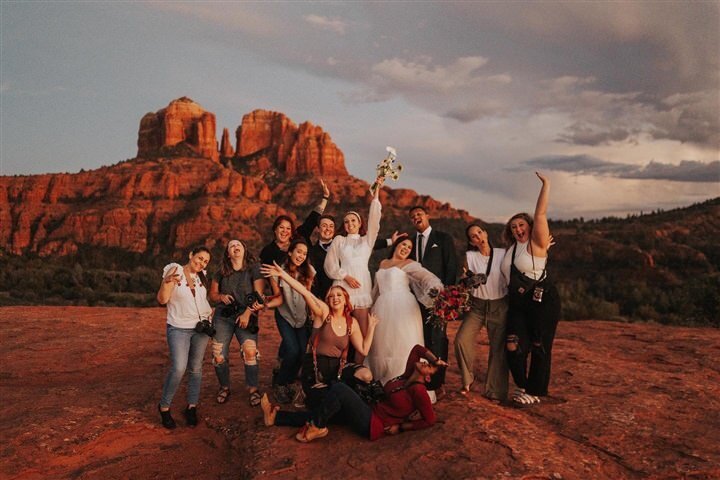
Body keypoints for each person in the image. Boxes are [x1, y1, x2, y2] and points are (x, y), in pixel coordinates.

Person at [260, 344, 447, 442]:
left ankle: (316, 426)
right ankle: (276, 418)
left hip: (373, 424)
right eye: (426, 361)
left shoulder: (419, 391)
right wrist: (435, 359)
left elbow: (430, 419)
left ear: (429, 378)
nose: (424, 362)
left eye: (429, 367)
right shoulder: (407, 376)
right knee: (328, 410)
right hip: (367, 408)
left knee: (340, 389)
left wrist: (403, 427)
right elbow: (417, 349)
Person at [260, 261, 377, 409]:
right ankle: (306, 392)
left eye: (339, 295)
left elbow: (364, 349)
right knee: (326, 404)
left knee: (366, 375)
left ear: (346, 299)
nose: (335, 298)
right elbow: (304, 292)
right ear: (327, 300)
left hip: (337, 368)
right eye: (331, 296)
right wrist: (282, 275)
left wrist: (371, 326)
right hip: (316, 367)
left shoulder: (351, 322)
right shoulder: (324, 313)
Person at [501, 172, 561, 406]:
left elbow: (541, 213)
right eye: (514, 226)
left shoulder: (537, 243)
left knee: (539, 345)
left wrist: (546, 185)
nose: (518, 229)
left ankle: (535, 391)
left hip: (542, 300)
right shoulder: (510, 250)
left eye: (521, 224)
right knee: (513, 344)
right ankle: (523, 385)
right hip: (518, 304)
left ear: (529, 226)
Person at [366, 237, 443, 385]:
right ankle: (384, 383)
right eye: (403, 244)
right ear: (396, 245)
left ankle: (405, 384)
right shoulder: (383, 263)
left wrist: (435, 288)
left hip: (403, 306)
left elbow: (427, 277)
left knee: (402, 343)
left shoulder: (410, 264)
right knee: (382, 345)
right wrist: (369, 306)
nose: (406, 248)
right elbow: (376, 289)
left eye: (409, 247)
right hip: (382, 307)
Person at [324, 177, 384, 363]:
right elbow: (330, 265)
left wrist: (376, 194)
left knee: (363, 335)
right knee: (340, 332)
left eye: (353, 221)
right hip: (343, 288)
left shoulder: (367, 240)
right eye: (347, 221)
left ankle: (356, 370)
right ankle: (338, 369)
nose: (350, 224)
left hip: (362, 290)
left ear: (359, 223)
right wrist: (345, 276)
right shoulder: (339, 241)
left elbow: (375, 220)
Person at [156, 246, 212, 429]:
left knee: (196, 369)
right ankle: (164, 407)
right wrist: (166, 282)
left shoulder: (202, 276)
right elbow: (162, 300)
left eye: (205, 261)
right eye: (199, 258)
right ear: (190, 255)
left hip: (201, 329)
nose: (201, 262)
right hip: (179, 328)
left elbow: (203, 301)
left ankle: (191, 407)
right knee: (179, 368)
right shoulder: (175, 270)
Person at [454, 224, 509, 401]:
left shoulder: (502, 253)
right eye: (474, 236)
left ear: (485, 233)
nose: (478, 236)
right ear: (472, 241)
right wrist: (467, 280)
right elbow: (463, 279)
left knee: (498, 349)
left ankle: (495, 391)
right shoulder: (470, 257)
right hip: (477, 307)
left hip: (499, 305)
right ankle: (467, 379)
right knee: (461, 340)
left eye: (479, 232)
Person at [207, 239, 266, 407]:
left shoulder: (254, 269)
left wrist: (248, 313)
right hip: (224, 316)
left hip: (247, 313)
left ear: (244, 249)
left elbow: (259, 295)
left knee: (250, 351)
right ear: (228, 253)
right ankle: (224, 387)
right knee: (218, 354)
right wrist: (221, 297)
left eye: (239, 244)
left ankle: (253, 389)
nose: (235, 247)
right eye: (231, 246)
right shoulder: (221, 271)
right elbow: (213, 294)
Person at [408, 205, 458, 397]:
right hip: (416, 300)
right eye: (412, 216)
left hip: (439, 300)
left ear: (428, 215)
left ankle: (437, 384)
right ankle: (422, 382)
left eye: (419, 214)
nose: (416, 217)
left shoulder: (443, 239)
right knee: (422, 339)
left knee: (438, 339)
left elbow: (451, 266)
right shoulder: (411, 242)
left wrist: (447, 298)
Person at [264, 238, 315, 404]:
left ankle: (289, 379)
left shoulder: (309, 272)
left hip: (301, 317)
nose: (301, 256)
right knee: (292, 350)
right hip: (284, 316)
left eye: (304, 253)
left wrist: (313, 314)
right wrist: (266, 304)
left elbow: (308, 296)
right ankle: (280, 384)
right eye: (298, 251)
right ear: (290, 252)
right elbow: (279, 298)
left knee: (302, 353)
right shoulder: (277, 271)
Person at [259, 179, 330, 266]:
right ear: (275, 230)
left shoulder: (300, 236)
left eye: (288, 228)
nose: (285, 231)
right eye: (281, 227)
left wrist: (325, 197)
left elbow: (313, 218)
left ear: (292, 231)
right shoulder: (268, 251)